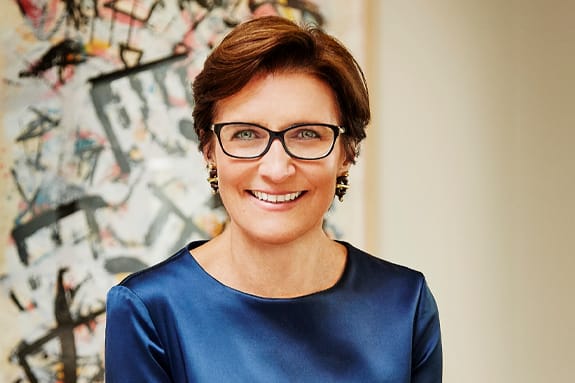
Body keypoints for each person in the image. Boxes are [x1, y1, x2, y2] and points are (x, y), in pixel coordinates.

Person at [105, 15, 442, 382]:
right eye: (246, 134)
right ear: (208, 148)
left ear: (346, 152)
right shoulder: (149, 310)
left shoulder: (404, 304)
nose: (277, 169)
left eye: (307, 134)